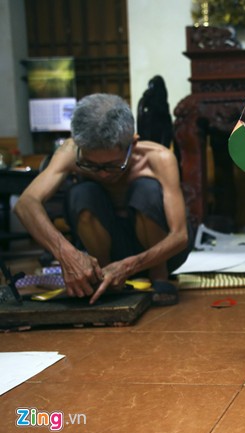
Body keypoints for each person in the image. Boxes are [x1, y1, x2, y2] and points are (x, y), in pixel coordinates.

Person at [14, 93, 193, 306]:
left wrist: (128, 266)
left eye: (112, 165)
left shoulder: (158, 158)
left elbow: (180, 236)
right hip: (105, 249)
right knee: (82, 193)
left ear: (133, 143)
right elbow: (26, 204)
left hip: (159, 254)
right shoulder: (71, 152)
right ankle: (103, 280)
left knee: (146, 189)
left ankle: (159, 277)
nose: (103, 174)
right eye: (92, 165)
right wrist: (67, 254)